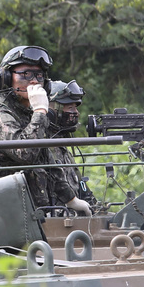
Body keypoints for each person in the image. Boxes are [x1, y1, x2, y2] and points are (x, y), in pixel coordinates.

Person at [0, 45, 90, 215]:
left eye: (39, 75)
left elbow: (47, 160)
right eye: (26, 74)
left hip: (33, 210)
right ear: (6, 78)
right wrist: (40, 112)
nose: (34, 81)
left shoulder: (28, 113)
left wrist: (71, 199)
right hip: (4, 212)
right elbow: (26, 153)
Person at [46, 80, 97, 208]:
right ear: (51, 111)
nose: (76, 113)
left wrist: (93, 205)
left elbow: (81, 186)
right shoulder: (42, 143)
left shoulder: (61, 144)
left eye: (76, 107)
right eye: (70, 108)